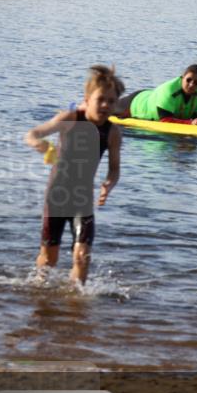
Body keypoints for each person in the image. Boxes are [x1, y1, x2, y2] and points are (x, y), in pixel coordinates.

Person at [25, 65, 123, 285]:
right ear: (87, 99)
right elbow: (33, 134)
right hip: (57, 195)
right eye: (101, 99)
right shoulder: (70, 118)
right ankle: (39, 289)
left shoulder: (113, 132)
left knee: (82, 257)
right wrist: (40, 144)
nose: (106, 105)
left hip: (82, 199)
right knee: (50, 258)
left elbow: (115, 168)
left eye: (111, 101)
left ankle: (76, 302)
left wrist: (109, 183)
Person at [115, 64, 197, 125]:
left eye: (196, 83)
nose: (191, 85)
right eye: (188, 80)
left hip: (152, 96)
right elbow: (165, 120)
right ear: (182, 77)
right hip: (136, 103)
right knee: (106, 110)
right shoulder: (169, 90)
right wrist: (190, 123)